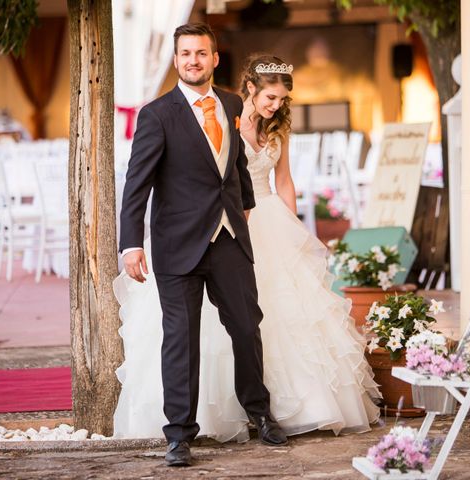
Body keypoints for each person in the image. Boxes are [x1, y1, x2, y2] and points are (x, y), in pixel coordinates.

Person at [114, 51, 381, 449]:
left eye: (282, 100)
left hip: (261, 222)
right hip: (207, 229)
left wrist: (292, 228)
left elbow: (283, 180)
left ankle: (268, 409)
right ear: (252, 89)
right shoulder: (224, 115)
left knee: (255, 324)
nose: (276, 106)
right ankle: (185, 427)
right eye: (270, 98)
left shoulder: (270, 125)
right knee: (187, 333)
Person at [118, 23, 287, 468]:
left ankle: (260, 414)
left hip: (229, 238)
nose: (193, 60)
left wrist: (246, 207)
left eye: (201, 53)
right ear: (177, 60)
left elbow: (234, 166)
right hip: (177, 246)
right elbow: (137, 185)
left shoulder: (233, 104)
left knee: (247, 328)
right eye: (185, 53)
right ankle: (178, 435)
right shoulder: (156, 115)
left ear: (215, 59)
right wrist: (131, 244)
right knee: (181, 340)